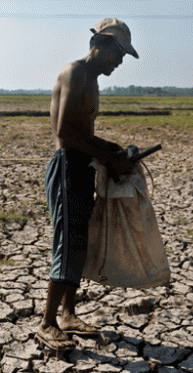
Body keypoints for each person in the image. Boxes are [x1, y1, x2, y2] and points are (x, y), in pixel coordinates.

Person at [37, 18, 140, 352]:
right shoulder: (75, 73)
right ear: (103, 44)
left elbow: (85, 134)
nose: (121, 62)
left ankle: (68, 315)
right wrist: (110, 159)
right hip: (67, 168)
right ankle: (47, 323)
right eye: (119, 54)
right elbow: (65, 135)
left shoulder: (92, 81)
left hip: (82, 169)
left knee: (79, 244)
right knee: (66, 246)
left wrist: (111, 149)